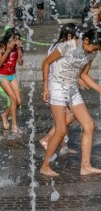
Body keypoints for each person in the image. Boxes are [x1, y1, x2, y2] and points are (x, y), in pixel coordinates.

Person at [40, 28, 101, 177]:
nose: (94, 51)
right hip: (57, 87)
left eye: (98, 49)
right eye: (94, 47)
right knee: (61, 130)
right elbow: (46, 63)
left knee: (89, 125)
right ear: (86, 41)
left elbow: (83, 74)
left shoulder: (93, 52)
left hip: (72, 88)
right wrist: (46, 87)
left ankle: (85, 166)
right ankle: (45, 166)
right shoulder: (69, 46)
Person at [39, 23, 80, 158]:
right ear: (69, 36)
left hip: (57, 84)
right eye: (75, 37)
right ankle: (47, 138)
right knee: (71, 114)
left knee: (63, 116)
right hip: (57, 85)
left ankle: (64, 146)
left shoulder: (53, 46)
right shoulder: (63, 48)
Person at [0, 27, 23, 133]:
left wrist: (20, 49)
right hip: (2, 76)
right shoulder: (2, 46)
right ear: (9, 38)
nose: (16, 41)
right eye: (14, 39)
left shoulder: (17, 48)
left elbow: (20, 63)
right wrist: (8, 50)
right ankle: (14, 126)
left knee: (18, 101)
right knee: (13, 99)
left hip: (12, 75)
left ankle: (5, 115)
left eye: (18, 39)